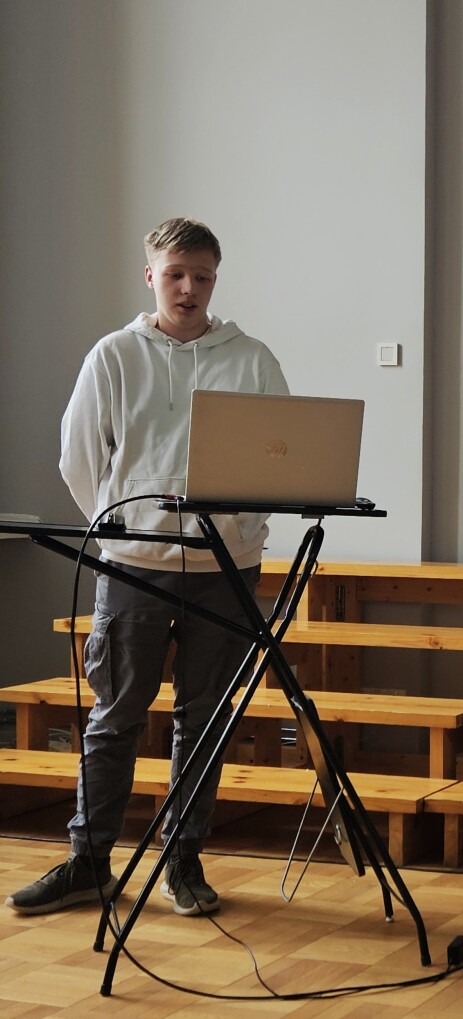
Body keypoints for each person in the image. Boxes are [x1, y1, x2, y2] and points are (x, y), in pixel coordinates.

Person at [5, 218, 289, 917]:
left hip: (225, 567)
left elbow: (281, 455)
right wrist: (122, 526)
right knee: (114, 716)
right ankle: (89, 862)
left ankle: (183, 860)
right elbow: (79, 455)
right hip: (133, 565)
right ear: (151, 276)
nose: (188, 288)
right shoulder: (113, 356)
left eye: (202, 276)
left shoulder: (251, 359)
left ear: (215, 279)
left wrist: (242, 530)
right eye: (175, 275)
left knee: (204, 719)